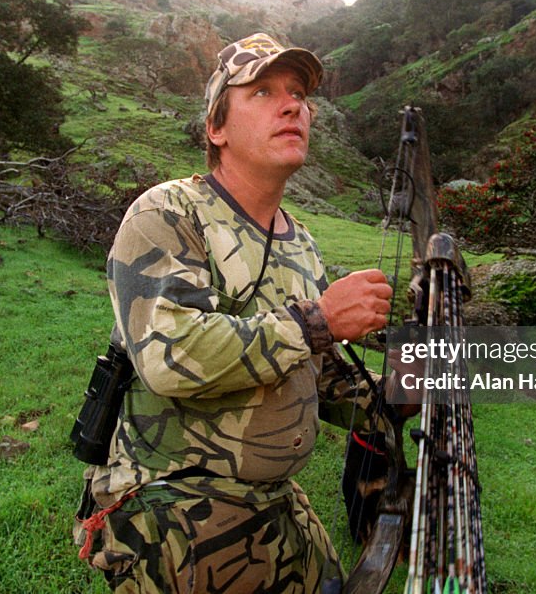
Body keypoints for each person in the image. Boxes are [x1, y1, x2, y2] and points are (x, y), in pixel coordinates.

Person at [73, 32, 398, 593]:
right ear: (216, 129)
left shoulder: (300, 242)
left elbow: (313, 370)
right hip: (178, 503)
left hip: (275, 498)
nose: (293, 104)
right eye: (264, 91)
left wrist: (396, 394)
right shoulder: (169, 212)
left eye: (298, 93)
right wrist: (317, 320)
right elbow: (171, 357)